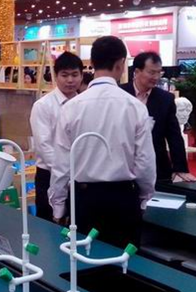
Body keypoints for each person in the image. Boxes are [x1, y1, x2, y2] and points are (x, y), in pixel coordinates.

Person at [49, 36, 156, 248]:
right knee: (124, 261)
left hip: (84, 199)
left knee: (82, 260)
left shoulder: (71, 107)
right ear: (121, 64)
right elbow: (144, 161)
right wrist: (145, 198)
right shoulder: (135, 106)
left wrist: (58, 206)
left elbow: (61, 163)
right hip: (123, 198)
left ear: (92, 63)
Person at [120, 52, 196, 183]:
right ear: (137, 72)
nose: (156, 77)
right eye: (151, 72)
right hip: (123, 165)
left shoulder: (165, 99)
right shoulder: (120, 94)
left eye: (159, 72)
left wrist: (180, 168)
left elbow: (174, 135)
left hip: (156, 167)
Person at [30, 52, 83, 221]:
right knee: (48, 226)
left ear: (81, 76)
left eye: (75, 75)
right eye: (65, 75)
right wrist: (64, 171)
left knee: (76, 225)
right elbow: (44, 146)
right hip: (49, 175)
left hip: (80, 178)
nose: (70, 80)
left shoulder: (84, 105)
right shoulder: (43, 105)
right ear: (56, 76)